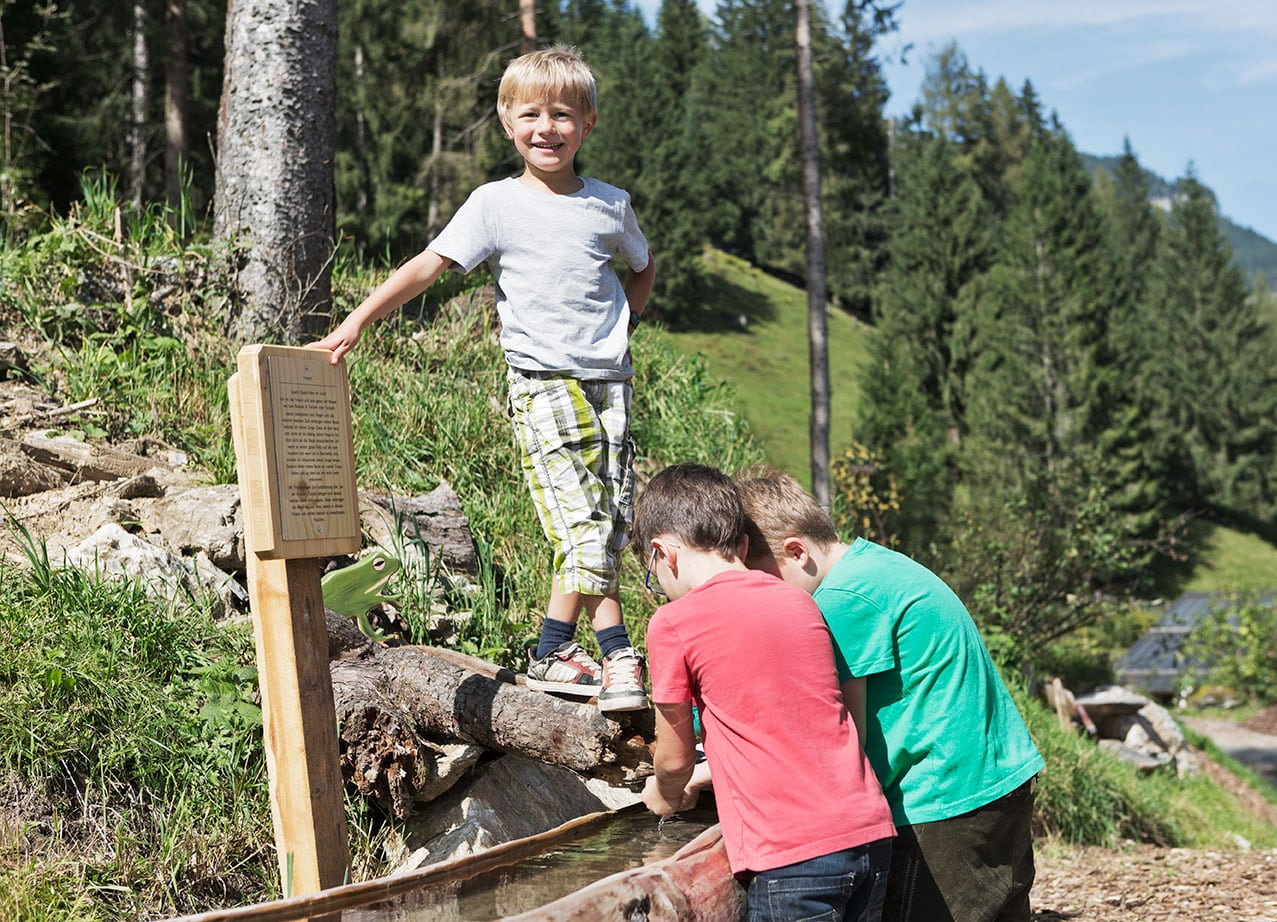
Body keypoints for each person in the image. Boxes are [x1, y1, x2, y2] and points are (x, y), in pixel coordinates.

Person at [310, 45, 655, 712]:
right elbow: (427, 267)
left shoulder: (610, 206)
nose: (545, 128)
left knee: (609, 524)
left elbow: (642, 266)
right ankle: (611, 652)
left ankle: (556, 649)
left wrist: (628, 321)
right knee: (580, 526)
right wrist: (359, 319)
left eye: (562, 114)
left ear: (588, 124)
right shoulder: (494, 204)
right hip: (543, 380)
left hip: (611, 378)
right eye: (530, 114)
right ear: (506, 123)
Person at [736, 467, 1045, 922]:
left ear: (796, 552)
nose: (762, 600)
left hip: (940, 801)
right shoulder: (876, 565)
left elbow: (841, 737)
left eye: (762, 582)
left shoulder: (842, 599)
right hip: (994, 779)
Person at [634, 463, 894, 922]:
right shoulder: (800, 601)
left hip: (793, 855)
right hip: (869, 834)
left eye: (653, 576)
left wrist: (664, 792)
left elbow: (673, 760)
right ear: (744, 545)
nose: (661, 591)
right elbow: (787, 720)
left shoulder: (673, 623)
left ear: (663, 553)